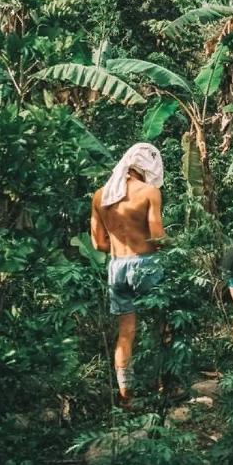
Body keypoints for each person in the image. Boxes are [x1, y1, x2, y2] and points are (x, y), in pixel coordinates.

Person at [90, 143, 165, 408]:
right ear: (146, 167)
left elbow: (98, 244)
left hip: (116, 266)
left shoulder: (101, 195)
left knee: (126, 333)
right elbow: (158, 238)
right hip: (145, 263)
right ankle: (163, 384)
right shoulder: (149, 192)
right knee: (161, 324)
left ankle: (126, 395)